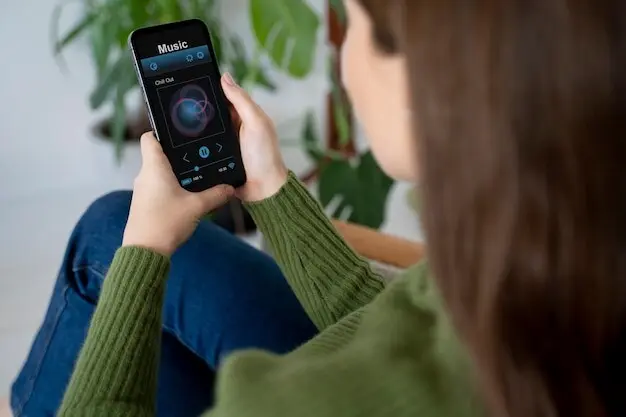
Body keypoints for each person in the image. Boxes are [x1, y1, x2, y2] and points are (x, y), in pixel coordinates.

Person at [10, 0, 626, 416]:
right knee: (109, 224)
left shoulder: (283, 404)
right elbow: (398, 320)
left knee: (109, 249)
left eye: (352, 24)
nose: (346, 64)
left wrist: (145, 250)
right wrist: (270, 188)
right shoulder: (545, 256)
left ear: (429, 81)